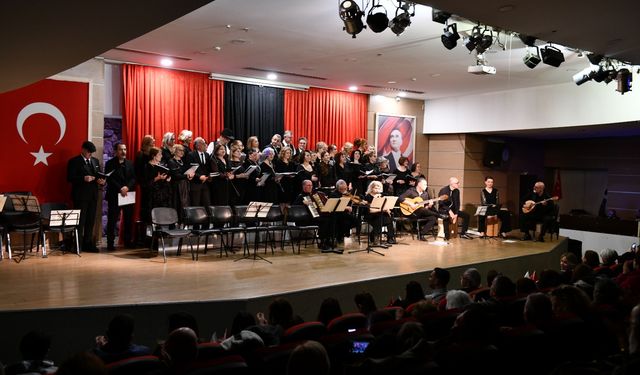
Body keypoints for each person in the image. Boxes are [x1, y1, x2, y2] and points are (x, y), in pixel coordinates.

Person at [67, 141, 105, 252]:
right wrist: (84, 178)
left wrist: (102, 181)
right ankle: (78, 245)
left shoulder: (95, 161)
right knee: (80, 221)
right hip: (80, 196)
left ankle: (88, 243)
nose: (90, 155)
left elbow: (99, 175)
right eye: (88, 152)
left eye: (91, 153)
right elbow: (70, 178)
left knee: (90, 221)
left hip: (93, 195)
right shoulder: (74, 161)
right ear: (83, 149)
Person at [104, 142, 136, 250]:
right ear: (115, 151)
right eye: (121, 149)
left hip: (127, 195)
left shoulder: (130, 163)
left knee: (128, 219)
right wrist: (120, 188)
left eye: (125, 149)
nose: (123, 152)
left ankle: (127, 242)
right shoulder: (110, 163)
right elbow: (110, 179)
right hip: (114, 195)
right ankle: (110, 243)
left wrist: (127, 187)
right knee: (112, 220)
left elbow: (133, 178)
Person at [141, 147, 172, 223]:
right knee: (153, 216)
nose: (161, 156)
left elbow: (163, 180)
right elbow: (145, 183)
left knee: (162, 215)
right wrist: (157, 178)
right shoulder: (147, 167)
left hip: (162, 194)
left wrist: (167, 180)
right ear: (154, 156)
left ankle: (161, 231)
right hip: (152, 196)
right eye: (159, 154)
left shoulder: (161, 166)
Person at [363, 180, 396, 245]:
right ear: (371, 188)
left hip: (380, 214)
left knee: (389, 219)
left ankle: (390, 238)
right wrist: (382, 209)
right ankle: (376, 238)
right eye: (375, 188)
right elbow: (369, 210)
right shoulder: (367, 197)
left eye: (379, 188)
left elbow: (385, 205)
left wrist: (386, 209)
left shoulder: (382, 196)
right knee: (378, 218)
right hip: (370, 215)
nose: (377, 189)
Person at [167, 144, 194, 221]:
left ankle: (183, 222)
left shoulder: (183, 161)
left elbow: (184, 173)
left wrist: (190, 175)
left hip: (184, 186)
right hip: (176, 187)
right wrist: (187, 176)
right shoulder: (171, 161)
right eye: (180, 150)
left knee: (184, 204)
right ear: (175, 151)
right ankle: (175, 222)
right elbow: (175, 175)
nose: (182, 152)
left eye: (183, 150)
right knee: (177, 204)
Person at [186, 137, 211, 208]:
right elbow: (190, 169)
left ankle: (207, 219)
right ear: (197, 146)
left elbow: (208, 168)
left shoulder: (207, 155)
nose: (206, 145)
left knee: (207, 204)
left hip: (205, 183)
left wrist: (207, 177)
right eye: (203, 144)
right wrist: (199, 176)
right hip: (195, 183)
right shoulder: (191, 155)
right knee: (195, 204)